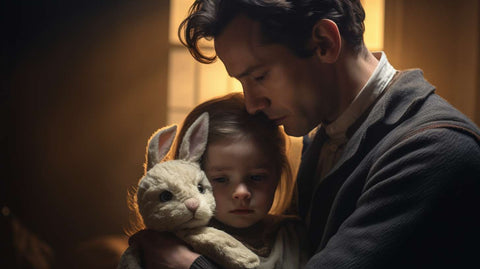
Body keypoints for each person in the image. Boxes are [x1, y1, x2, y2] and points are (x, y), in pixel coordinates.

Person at [132, 0, 480, 268]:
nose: (252, 104)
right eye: (242, 82)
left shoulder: (434, 151)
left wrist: (186, 263)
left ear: (325, 42)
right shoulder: (324, 139)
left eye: (260, 76)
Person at [129, 92, 309, 268]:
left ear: (278, 174)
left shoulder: (292, 236)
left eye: (256, 177)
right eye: (221, 179)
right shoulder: (171, 248)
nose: (241, 193)